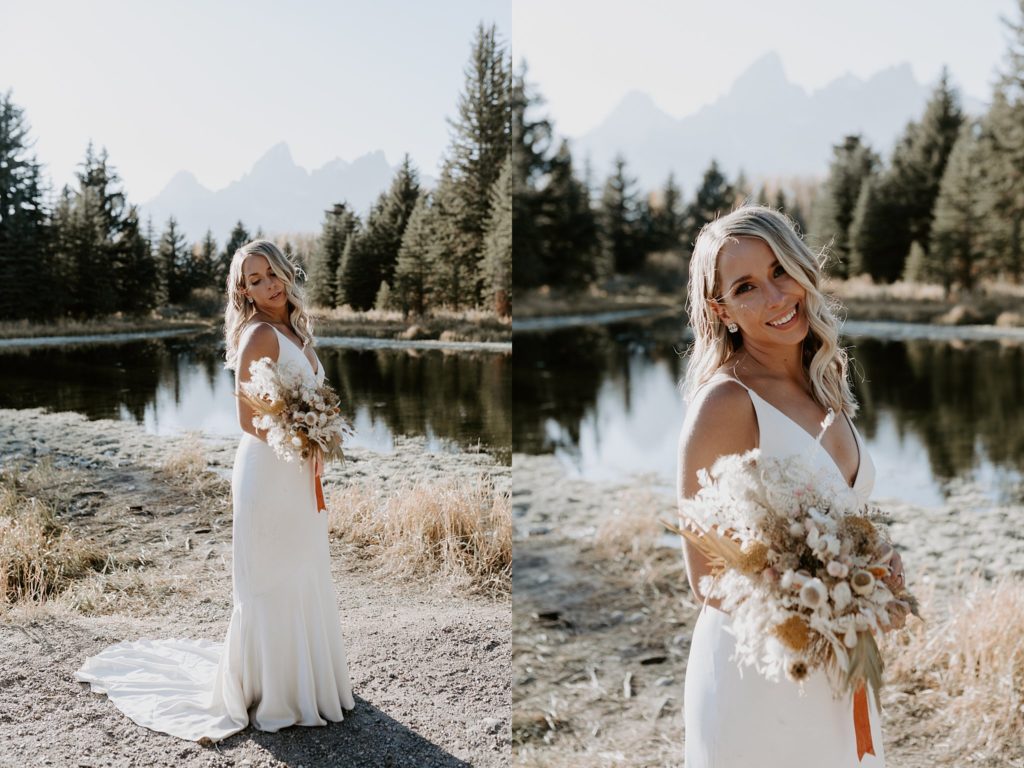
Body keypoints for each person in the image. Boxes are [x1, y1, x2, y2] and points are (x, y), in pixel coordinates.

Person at [75, 240, 354, 742]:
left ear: (285, 272)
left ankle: (308, 685)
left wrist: (320, 431)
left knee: (305, 567)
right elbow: (248, 419)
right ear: (243, 292)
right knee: (272, 577)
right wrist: (304, 434)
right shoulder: (259, 334)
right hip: (268, 471)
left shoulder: (295, 329)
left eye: (271, 273)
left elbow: (311, 397)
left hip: (298, 472)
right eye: (254, 280)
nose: (268, 285)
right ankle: (272, 693)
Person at [677, 206, 905, 767]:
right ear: (721, 310)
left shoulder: (824, 379)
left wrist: (875, 570)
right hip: (759, 673)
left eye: (781, 270)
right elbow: (705, 576)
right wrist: (821, 599)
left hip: (838, 665)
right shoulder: (726, 401)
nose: (777, 296)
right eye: (746, 287)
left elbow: (843, 512)